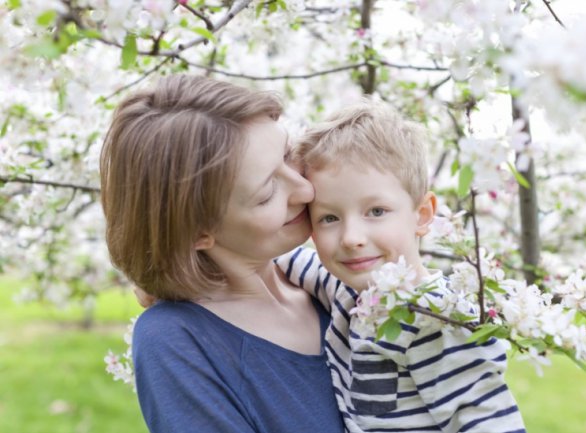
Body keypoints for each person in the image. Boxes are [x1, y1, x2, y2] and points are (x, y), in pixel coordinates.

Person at [99, 75, 344, 433]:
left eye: (288, 155)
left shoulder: (333, 279)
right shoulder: (177, 340)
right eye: (265, 193)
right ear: (198, 232)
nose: (305, 190)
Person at [275, 100, 527, 433]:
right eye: (329, 218)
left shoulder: (432, 319)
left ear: (422, 214)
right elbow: (292, 261)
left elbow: (487, 421)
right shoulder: (349, 291)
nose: (351, 238)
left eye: (376, 211)